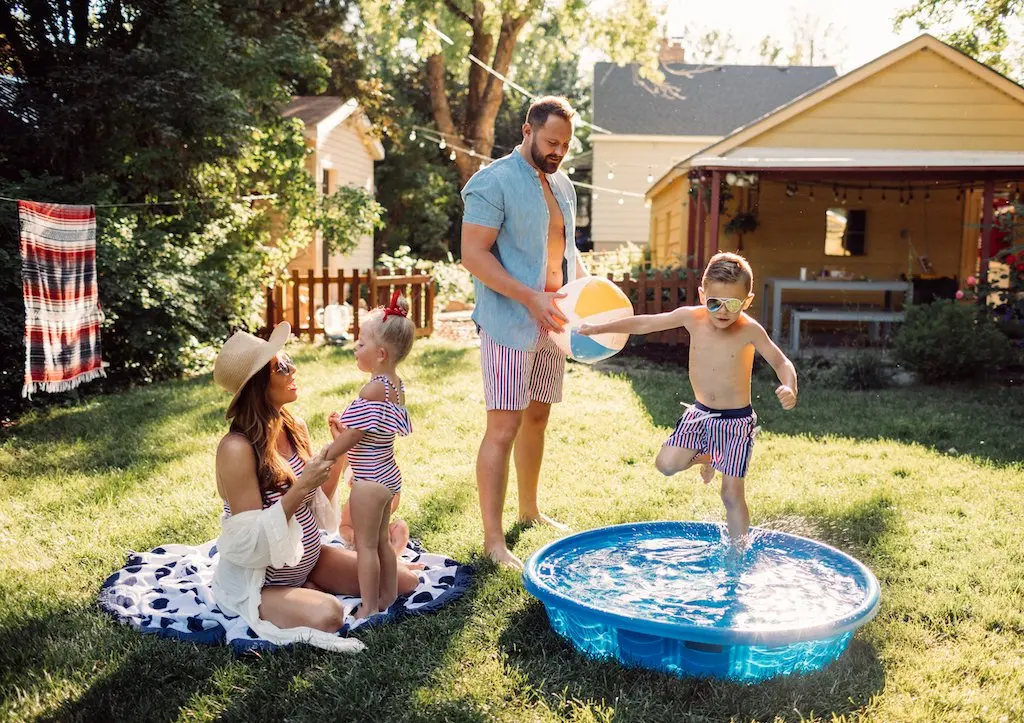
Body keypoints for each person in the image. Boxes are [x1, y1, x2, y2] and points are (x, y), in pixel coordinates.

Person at [210, 321, 419, 653]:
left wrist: (343, 453)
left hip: (308, 559)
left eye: (289, 360)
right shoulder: (237, 449)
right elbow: (248, 542)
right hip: (262, 583)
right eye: (282, 366)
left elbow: (318, 499)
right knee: (328, 614)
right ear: (257, 385)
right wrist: (300, 485)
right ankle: (308, 591)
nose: (294, 369)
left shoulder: (294, 426)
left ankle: (319, 578)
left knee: (405, 583)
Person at [579, 252, 798, 541]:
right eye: (714, 302)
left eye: (732, 304)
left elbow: (781, 362)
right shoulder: (691, 318)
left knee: (731, 495)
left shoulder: (750, 330)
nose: (722, 311)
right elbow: (644, 323)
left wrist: (789, 386)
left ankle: (737, 554)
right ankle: (708, 457)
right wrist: (598, 328)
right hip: (700, 413)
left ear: (747, 301)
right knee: (666, 465)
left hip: (736, 422)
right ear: (701, 294)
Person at [460, 95, 589, 569]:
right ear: (527, 131)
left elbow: (565, 251)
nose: (558, 151)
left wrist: (588, 296)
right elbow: (474, 255)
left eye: (565, 145)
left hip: (553, 323)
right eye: (551, 142)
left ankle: (530, 510)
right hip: (510, 323)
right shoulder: (492, 182)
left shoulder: (563, 187)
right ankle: (494, 541)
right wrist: (529, 297)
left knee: (537, 418)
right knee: (504, 427)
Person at [324, 292, 415, 618]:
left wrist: (328, 453)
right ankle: (388, 594)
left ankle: (368, 606)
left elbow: (354, 435)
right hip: (388, 474)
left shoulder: (372, 389)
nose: (355, 348)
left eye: (361, 344)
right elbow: (370, 431)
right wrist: (345, 432)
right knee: (380, 542)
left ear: (379, 354)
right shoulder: (395, 385)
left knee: (365, 546)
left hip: (370, 479)